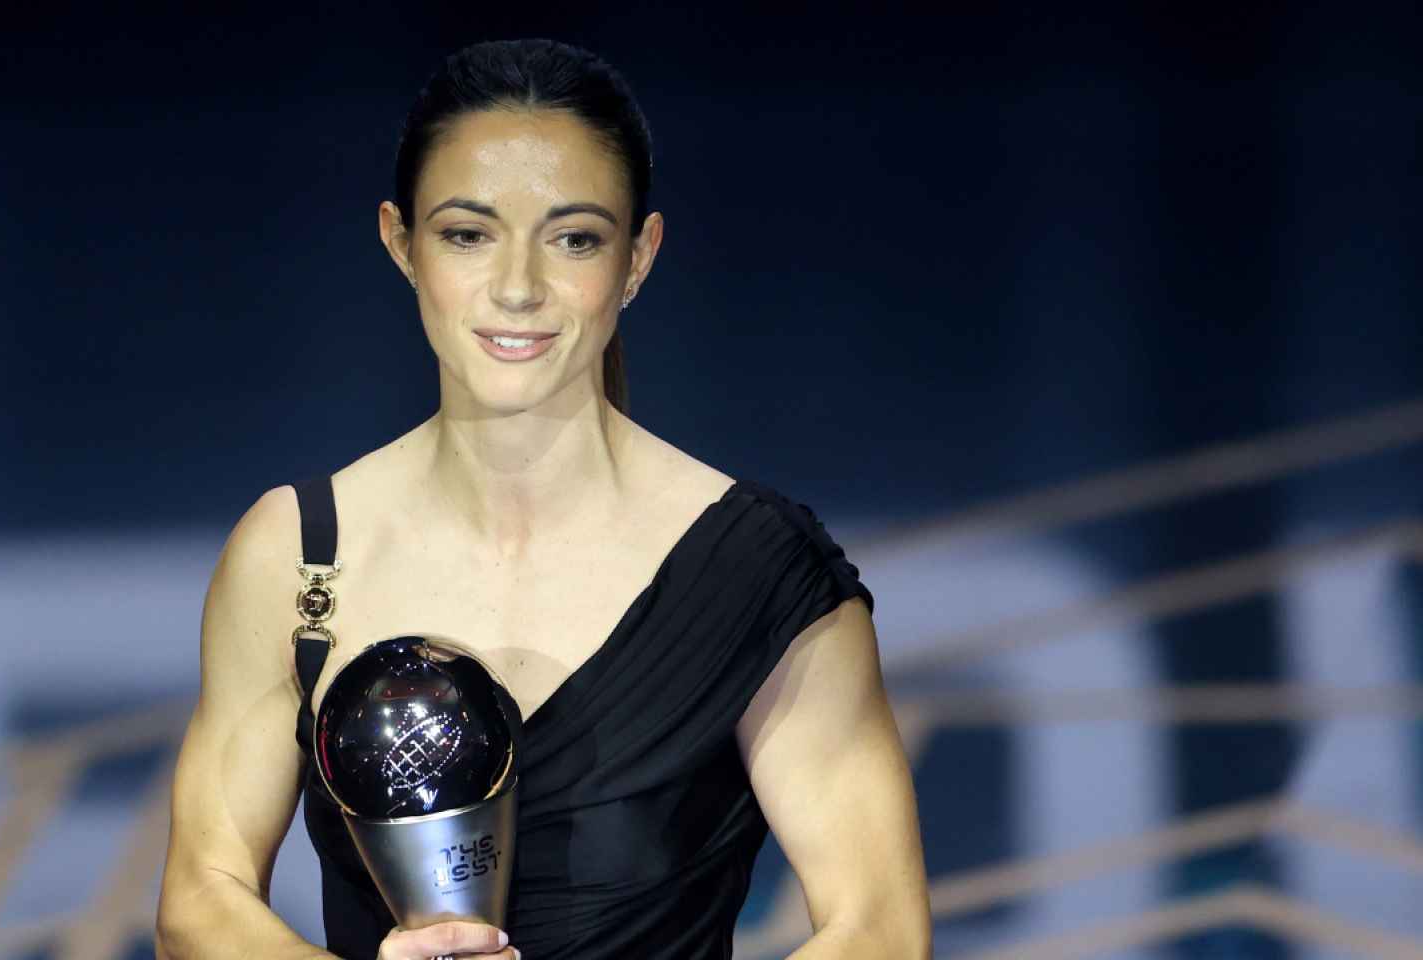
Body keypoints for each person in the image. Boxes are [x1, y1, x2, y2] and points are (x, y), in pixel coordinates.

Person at [155, 38, 929, 960]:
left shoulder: (760, 573)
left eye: (574, 239)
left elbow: (879, 926)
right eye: (467, 234)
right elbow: (199, 897)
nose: (518, 288)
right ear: (402, 244)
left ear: (638, 258)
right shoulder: (296, 554)